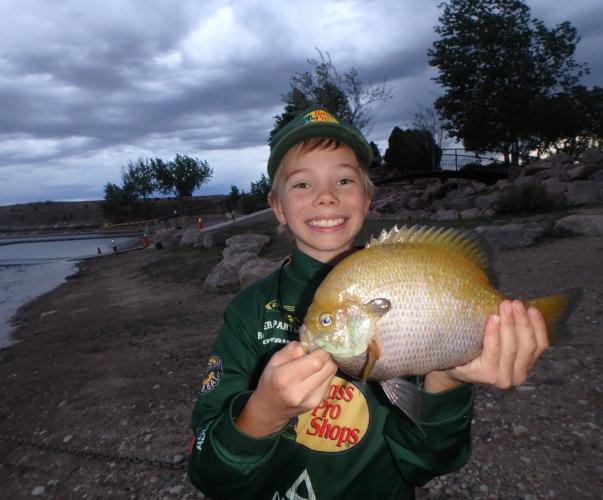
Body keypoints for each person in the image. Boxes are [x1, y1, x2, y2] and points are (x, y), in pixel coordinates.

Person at [188, 107, 548, 499]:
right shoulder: (248, 314)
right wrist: (263, 412)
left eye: (344, 180)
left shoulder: (396, 290)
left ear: (368, 198)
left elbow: (429, 464)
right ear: (277, 206)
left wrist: (447, 379)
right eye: (302, 185)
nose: (326, 197)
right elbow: (209, 475)